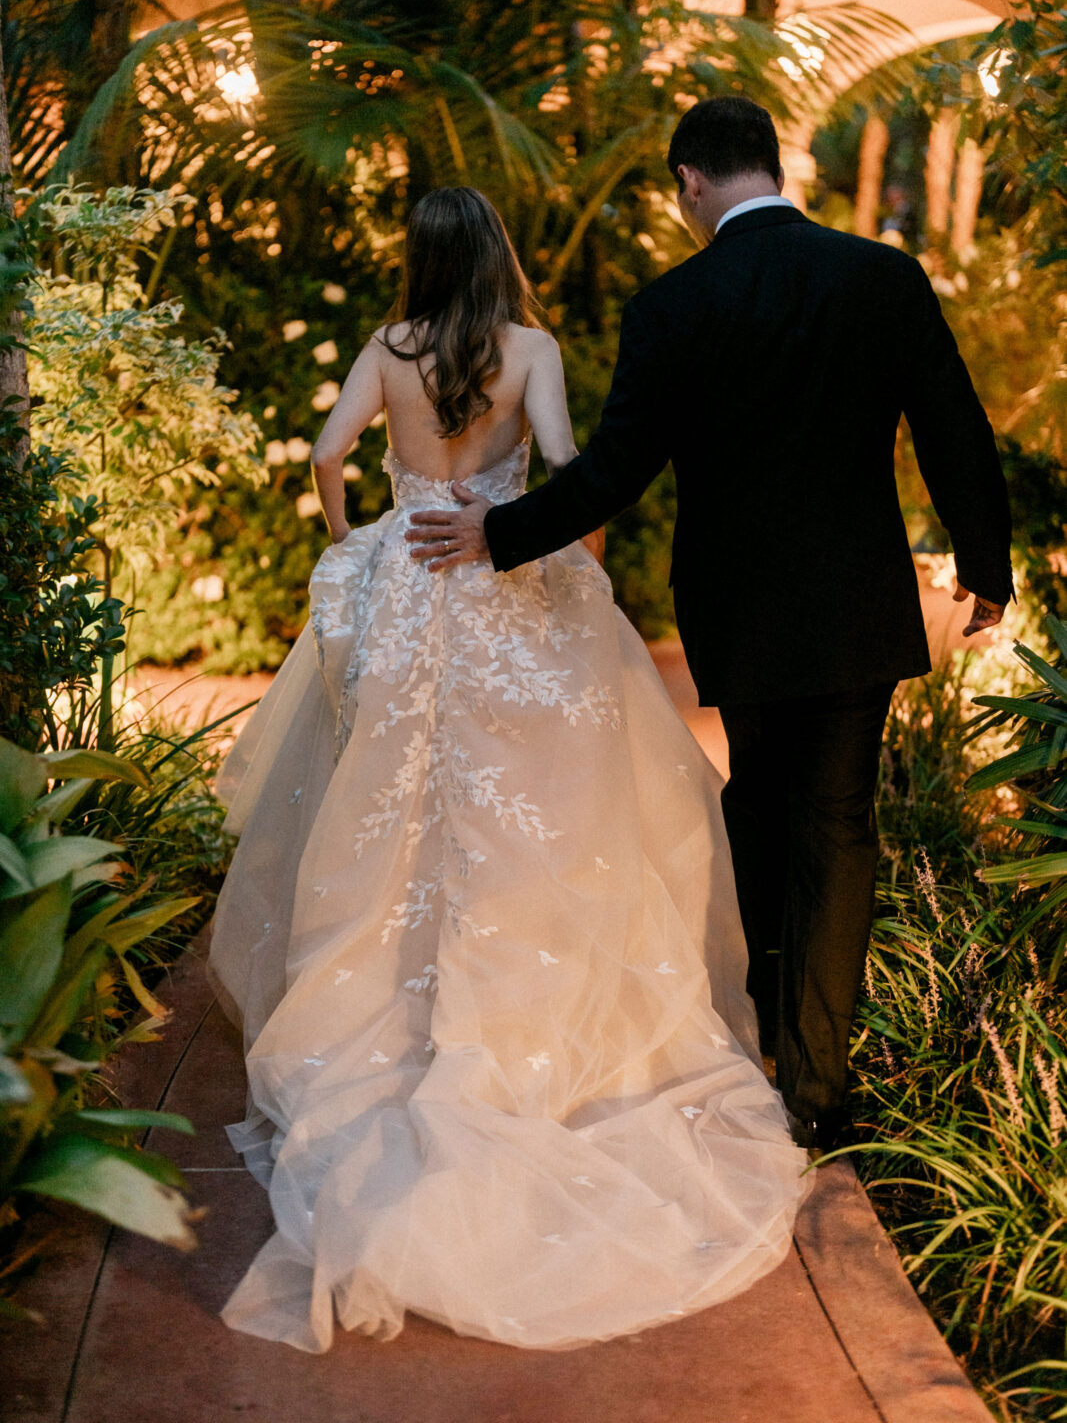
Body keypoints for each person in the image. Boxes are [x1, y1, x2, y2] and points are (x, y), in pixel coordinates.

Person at [205, 184, 814, 1355]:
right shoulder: (529, 346)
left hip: (409, 589)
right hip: (507, 583)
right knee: (539, 806)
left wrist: (361, 544)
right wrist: (558, 565)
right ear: (496, 253)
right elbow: (574, 474)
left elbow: (332, 453)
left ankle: (383, 985)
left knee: (385, 795)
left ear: (419, 258)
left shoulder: (388, 347)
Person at [407, 97, 1015, 1154]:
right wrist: (984, 569)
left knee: (757, 799)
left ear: (689, 180)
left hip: (739, 609)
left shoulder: (673, 304)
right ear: (770, 166)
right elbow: (952, 430)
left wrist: (495, 533)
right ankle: (815, 1087)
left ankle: (754, 1021)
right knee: (837, 821)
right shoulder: (879, 277)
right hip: (853, 605)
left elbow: (611, 475)